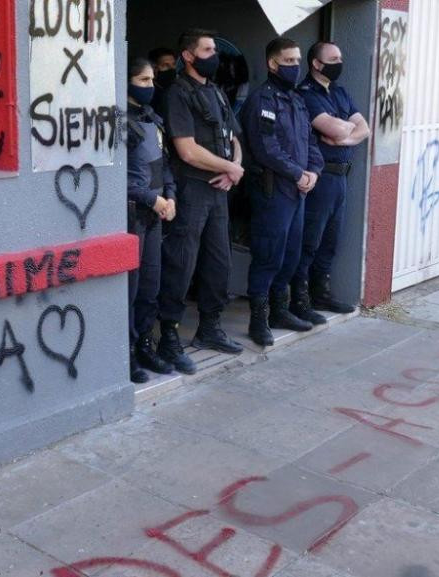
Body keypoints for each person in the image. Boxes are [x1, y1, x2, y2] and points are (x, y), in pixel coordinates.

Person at [156, 29, 247, 375]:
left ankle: (209, 329)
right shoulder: (178, 93)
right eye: (208, 50)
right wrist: (231, 168)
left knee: (218, 263)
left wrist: (233, 169)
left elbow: (234, 136)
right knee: (181, 264)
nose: (215, 55)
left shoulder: (217, 91)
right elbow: (187, 150)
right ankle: (168, 336)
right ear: (189, 56)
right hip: (192, 190)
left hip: (219, 190)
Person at [239, 37, 324, 347]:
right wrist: (297, 173)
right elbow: (265, 149)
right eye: (288, 61)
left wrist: (313, 171)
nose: (295, 66)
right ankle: (258, 320)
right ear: (272, 64)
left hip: (298, 190)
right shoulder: (262, 101)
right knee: (268, 255)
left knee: (291, 253)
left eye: (297, 60)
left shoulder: (298, 101)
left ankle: (279, 310)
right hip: (274, 191)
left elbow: (311, 143)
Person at [292, 41, 370, 320]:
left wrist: (342, 133)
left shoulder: (339, 92)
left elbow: (364, 129)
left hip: (341, 177)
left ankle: (320, 294)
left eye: (341, 57)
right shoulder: (306, 94)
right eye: (333, 58)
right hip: (320, 177)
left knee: (330, 240)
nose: (339, 62)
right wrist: (342, 129)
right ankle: (298, 299)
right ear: (316, 63)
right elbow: (336, 129)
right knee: (310, 238)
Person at [126, 58, 177, 383]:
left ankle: (145, 344)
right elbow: (116, 177)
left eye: (151, 80)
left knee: (150, 287)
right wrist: (153, 199)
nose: (150, 86)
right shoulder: (119, 122)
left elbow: (164, 166)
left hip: (156, 213)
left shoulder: (153, 120)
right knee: (129, 291)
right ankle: (127, 353)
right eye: (143, 81)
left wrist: (170, 196)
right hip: (133, 214)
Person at [149, 47, 178, 116]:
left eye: (174, 64)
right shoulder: (149, 95)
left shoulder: (177, 90)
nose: (172, 69)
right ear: (153, 69)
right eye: (165, 65)